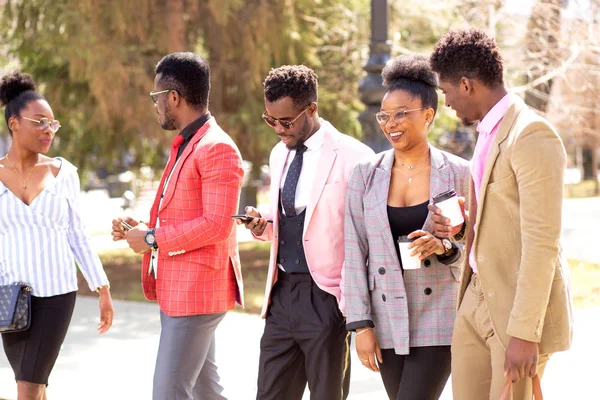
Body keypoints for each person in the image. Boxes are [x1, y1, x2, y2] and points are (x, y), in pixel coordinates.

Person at [429, 28, 573, 400]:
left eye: (446, 92)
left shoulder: (532, 134)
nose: (446, 103)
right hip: (475, 296)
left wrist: (525, 333)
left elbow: (542, 243)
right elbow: (501, 218)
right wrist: (463, 227)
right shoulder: (488, 131)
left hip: (515, 311)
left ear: (466, 84)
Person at [111, 52, 244, 400]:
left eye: (156, 97)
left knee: (169, 392)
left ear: (173, 97)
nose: (155, 105)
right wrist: (138, 228)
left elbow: (217, 225)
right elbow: (182, 214)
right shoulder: (188, 143)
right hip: (181, 289)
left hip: (197, 293)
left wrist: (152, 238)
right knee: (205, 391)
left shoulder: (217, 148)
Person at [242, 65, 374, 400]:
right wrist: (263, 223)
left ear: (311, 109)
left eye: (286, 121)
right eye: (270, 120)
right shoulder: (278, 154)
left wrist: (347, 304)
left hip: (327, 298)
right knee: (269, 394)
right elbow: (293, 216)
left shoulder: (355, 157)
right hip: (281, 294)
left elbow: (366, 237)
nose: (278, 130)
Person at [343, 55, 470, 400]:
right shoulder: (365, 174)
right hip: (385, 316)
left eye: (402, 113)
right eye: (385, 115)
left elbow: (475, 248)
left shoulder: (459, 172)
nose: (390, 123)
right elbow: (353, 250)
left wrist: (444, 247)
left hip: (440, 312)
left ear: (428, 115)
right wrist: (361, 324)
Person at [0, 71, 113, 400]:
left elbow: (77, 234)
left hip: (56, 295)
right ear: (14, 123)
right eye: (39, 122)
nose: (48, 130)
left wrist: (101, 286)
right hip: (10, 297)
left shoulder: (64, 173)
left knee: (28, 386)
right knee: (33, 381)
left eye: (53, 123)